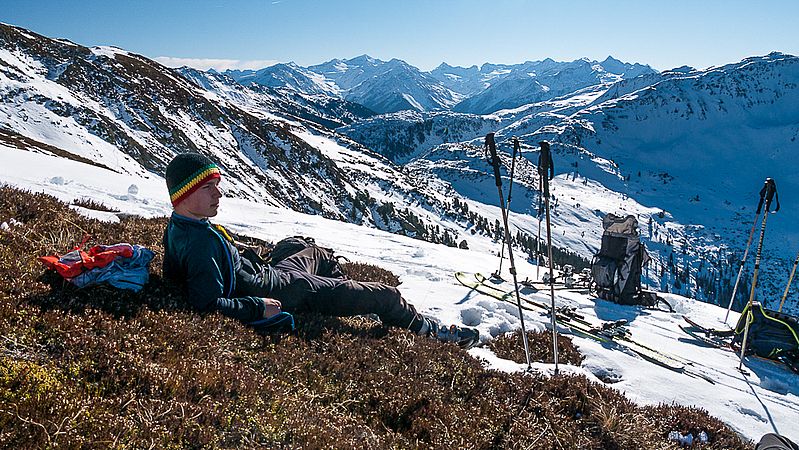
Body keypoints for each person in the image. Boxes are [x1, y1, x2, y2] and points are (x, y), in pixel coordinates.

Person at [162, 153, 479, 348]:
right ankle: (432, 332)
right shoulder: (200, 242)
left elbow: (178, 273)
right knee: (388, 295)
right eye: (208, 187)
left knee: (303, 247)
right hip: (290, 290)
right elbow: (205, 305)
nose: (219, 193)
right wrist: (259, 307)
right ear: (185, 195)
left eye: (217, 184)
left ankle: (345, 295)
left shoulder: (181, 227)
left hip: (276, 275)